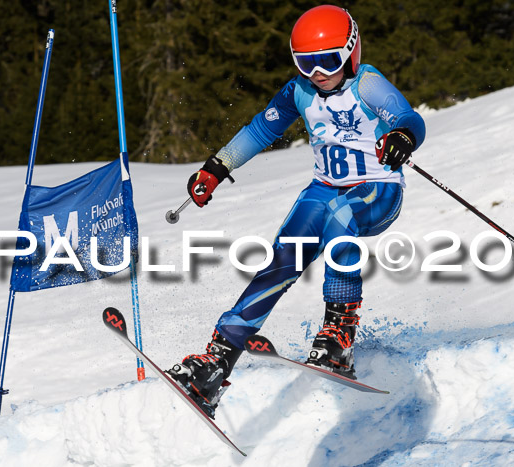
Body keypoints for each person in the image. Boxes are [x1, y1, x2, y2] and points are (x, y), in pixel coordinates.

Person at [167, 5, 426, 416]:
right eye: (307, 63)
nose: (318, 72)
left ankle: (339, 336)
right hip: (324, 188)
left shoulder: (368, 84)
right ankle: (217, 363)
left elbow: (409, 117)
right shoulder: (299, 91)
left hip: (378, 190)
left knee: (342, 215)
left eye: (329, 60)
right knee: (282, 256)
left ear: (352, 52)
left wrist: (402, 136)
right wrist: (218, 167)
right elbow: (260, 129)